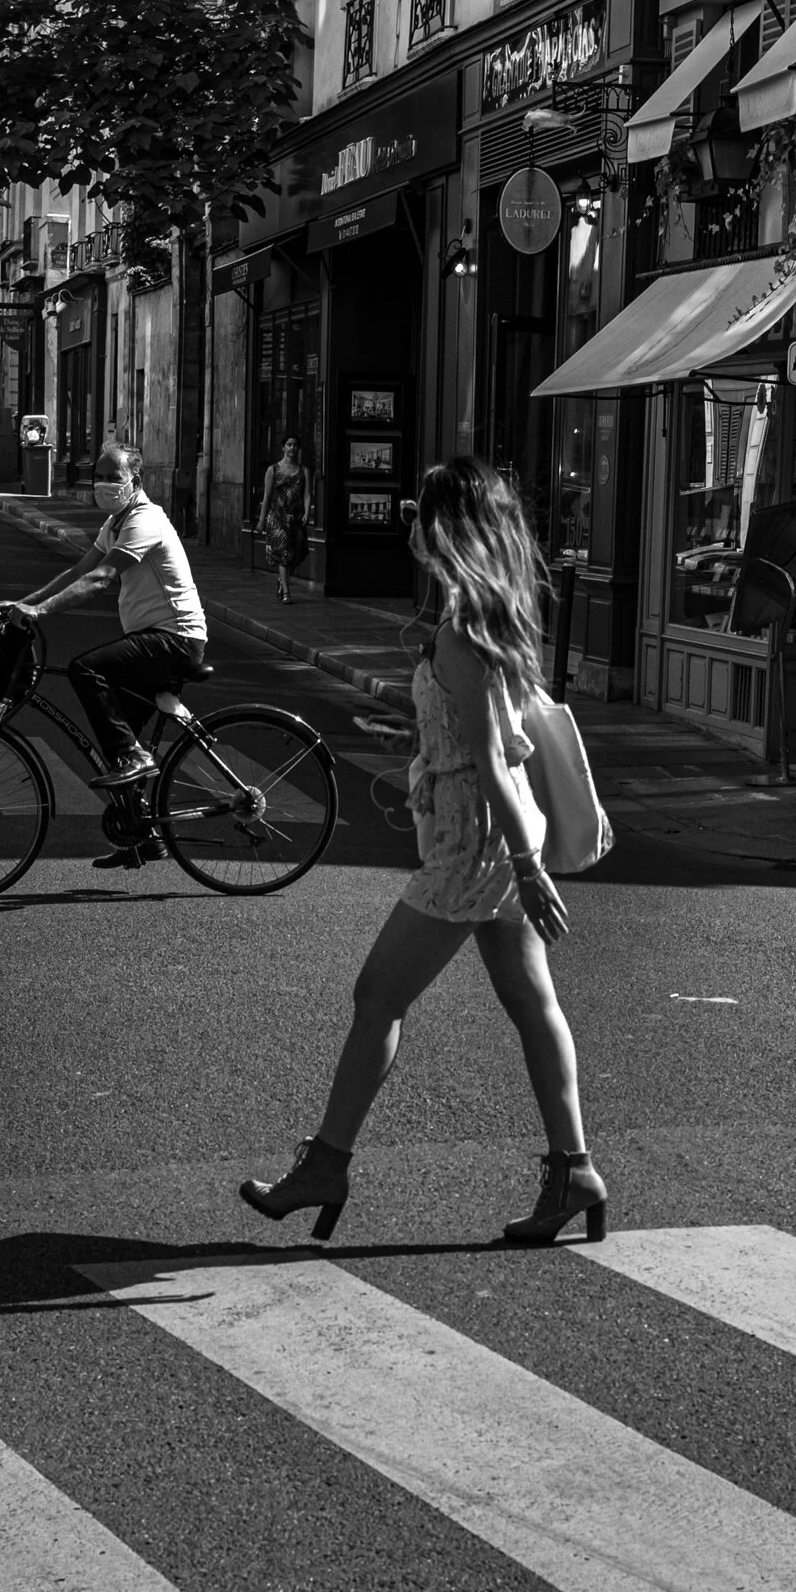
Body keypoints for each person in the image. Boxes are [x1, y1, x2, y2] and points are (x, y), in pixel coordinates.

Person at [239, 457, 607, 1247]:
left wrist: (526, 869)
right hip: (495, 837)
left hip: (474, 843)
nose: (410, 524)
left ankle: (326, 1165)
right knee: (530, 1003)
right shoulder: (491, 621)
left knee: (377, 996)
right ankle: (573, 1170)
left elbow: (493, 763)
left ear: (445, 529)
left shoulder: (460, 635)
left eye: (421, 513)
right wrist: (420, 737)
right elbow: (482, 741)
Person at [0, 443, 208, 868]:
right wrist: (24, 602)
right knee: (117, 736)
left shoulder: (145, 520)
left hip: (176, 639)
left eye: (114, 477)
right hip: (152, 639)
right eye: (100, 477)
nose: (104, 484)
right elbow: (80, 570)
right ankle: (142, 837)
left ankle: (135, 757)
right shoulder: (116, 522)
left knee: (86, 670)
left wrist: (41, 612)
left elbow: (101, 578)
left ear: (135, 482)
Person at [257, 434, 311, 604]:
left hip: (295, 519)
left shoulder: (304, 471)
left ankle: (282, 581)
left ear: (298, 448)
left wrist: (307, 512)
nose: (292, 448)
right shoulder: (273, 470)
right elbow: (267, 496)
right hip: (278, 518)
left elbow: (307, 494)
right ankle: (287, 592)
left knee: (295, 556)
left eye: (295, 445)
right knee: (283, 555)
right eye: (289, 444)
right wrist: (261, 519)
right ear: (283, 447)